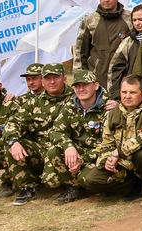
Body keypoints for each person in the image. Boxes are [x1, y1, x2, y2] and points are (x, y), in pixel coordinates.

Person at [78, 74, 142, 206]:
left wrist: (118, 153)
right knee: (92, 180)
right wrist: (107, 159)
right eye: (124, 92)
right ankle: (132, 187)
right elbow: (106, 144)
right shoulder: (113, 113)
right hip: (123, 163)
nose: (127, 96)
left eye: (132, 92)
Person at [1, 63, 74, 205]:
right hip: (41, 151)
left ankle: (73, 185)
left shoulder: (76, 99)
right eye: (48, 78)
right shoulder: (34, 102)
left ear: (64, 79)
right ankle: (27, 188)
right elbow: (13, 123)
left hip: (64, 150)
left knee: (51, 182)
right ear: (43, 81)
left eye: (56, 77)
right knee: (12, 144)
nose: (52, 82)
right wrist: (13, 142)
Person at [43, 70, 107, 205]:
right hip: (78, 153)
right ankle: (74, 187)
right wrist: (68, 146)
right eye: (77, 86)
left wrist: (81, 160)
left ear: (95, 86)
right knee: (51, 177)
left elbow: (108, 144)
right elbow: (55, 131)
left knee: (88, 179)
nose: (81, 89)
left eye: (85, 85)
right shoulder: (70, 106)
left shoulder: (107, 108)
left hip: (99, 155)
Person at [73, 0, 133, 91]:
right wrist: (80, 80)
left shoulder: (130, 19)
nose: (106, 0)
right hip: (96, 79)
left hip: (123, 79)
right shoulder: (90, 21)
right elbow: (80, 53)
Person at [108, 4, 142, 98]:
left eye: (141, 19)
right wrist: (115, 94)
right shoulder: (129, 42)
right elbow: (116, 67)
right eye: (134, 20)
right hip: (133, 93)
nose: (137, 23)